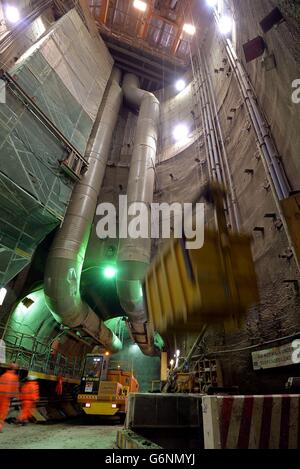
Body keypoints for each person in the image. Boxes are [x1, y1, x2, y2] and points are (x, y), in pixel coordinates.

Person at [0, 363, 19, 432]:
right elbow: (15, 389)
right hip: (6, 398)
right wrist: (13, 397)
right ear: (15, 369)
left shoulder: (3, 375)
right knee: (2, 413)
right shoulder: (15, 377)